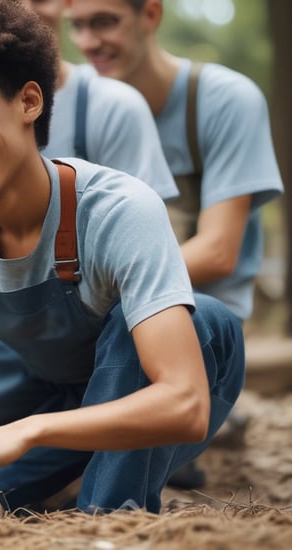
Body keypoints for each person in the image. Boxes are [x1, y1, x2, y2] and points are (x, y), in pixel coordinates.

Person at [0, 0, 245, 514]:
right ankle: (82, 469)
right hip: (43, 380)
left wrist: (27, 432)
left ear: (29, 101)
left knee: (180, 322)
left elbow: (185, 403)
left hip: (148, 374)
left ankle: (107, 508)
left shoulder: (119, 209)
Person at [66, 0, 284, 488]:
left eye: (104, 22)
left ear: (150, 15)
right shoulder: (81, 104)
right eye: (76, 25)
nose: (87, 42)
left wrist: (91, 292)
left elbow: (219, 249)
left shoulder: (223, 99)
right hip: (92, 318)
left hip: (185, 311)